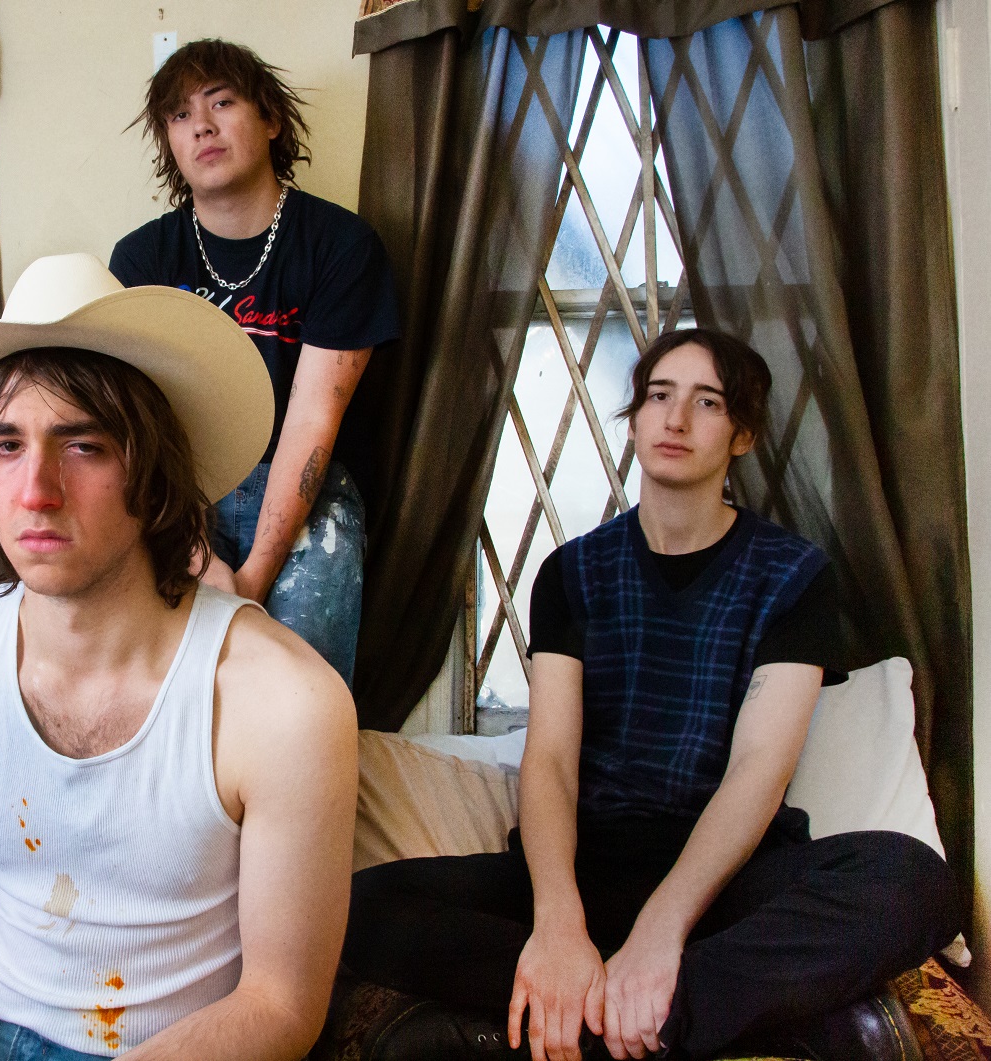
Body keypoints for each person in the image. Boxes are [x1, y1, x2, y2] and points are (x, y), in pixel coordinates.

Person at [341, 329, 960, 1061]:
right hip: (591, 866)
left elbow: (758, 769)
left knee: (916, 880)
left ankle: (646, 1009)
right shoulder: (571, 574)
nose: (676, 418)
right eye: (659, 397)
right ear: (634, 421)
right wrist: (559, 926)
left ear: (743, 435)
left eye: (708, 402)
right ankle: (656, 1005)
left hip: (727, 883)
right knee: (357, 906)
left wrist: (661, 933)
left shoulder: (793, 577)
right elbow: (552, 762)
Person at [0, 253, 358, 1061]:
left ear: (155, 475)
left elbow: (282, 1005)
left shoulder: (284, 702)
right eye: (7, 445)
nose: (35, 489)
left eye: (84, 446)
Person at [110, 38, 401, 685]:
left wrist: (248, 584)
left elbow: (314, 417)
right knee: (173, 687)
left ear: (270, 119)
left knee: (298, 688)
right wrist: (195, 551)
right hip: (178, 489)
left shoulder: (341, 246)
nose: (202, 126)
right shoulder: (141, 259)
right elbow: (141, 425)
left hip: (306, 490)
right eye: (181, 114)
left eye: (222, 102)